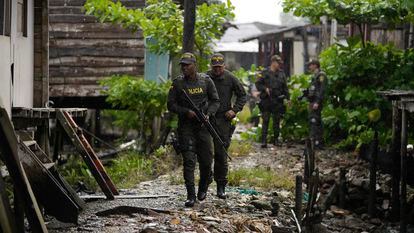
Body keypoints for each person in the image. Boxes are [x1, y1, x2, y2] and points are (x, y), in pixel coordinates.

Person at [167, 52, 220, 207]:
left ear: (194, 65)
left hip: (203, 127)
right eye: (182, 65)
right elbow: (170, 105)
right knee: (189, 161)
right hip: (186, 127)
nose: (184, 68)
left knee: (206, 161)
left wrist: (208, 114)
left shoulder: (206, 81)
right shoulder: (178, 84)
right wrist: (186, 112)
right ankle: (191, 195)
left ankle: (203, 187)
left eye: (187, 65)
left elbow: (215, 101)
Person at [206, 53, 247, 199]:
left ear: (224, 66)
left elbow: (243, 95)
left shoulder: (230, 78)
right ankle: (204, 184)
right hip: (206, 118)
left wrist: (234, 110)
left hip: (223, 119)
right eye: (214, 67)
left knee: (221, 153)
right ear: (211, 66)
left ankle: (221, 186)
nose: (217, 70)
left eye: (219, 67)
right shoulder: (205, 77)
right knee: (205, 153)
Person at [255, 55, 290, 148]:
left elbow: (285, 88)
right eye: (278, 63)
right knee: (265, 120)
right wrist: (264, 88)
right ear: (273, 62)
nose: (279, 65)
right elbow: (258, 84)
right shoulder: (264, 72)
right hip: (267, 100)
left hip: (278, 101)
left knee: (276, 121)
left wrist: (288, 98)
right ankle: (263, 141)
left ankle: (276, 140)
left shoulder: (282, 74)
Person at [305, 60, 326, 149]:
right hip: (312, 101)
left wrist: (317, 102)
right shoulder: (315, 76)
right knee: (315, 121)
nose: (309, 67)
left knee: (314, 120)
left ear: (315, 65)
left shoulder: (321, 75)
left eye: (310, 65)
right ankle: (317, 142)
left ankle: (316, 142)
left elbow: (322, 90)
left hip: (316, 102)